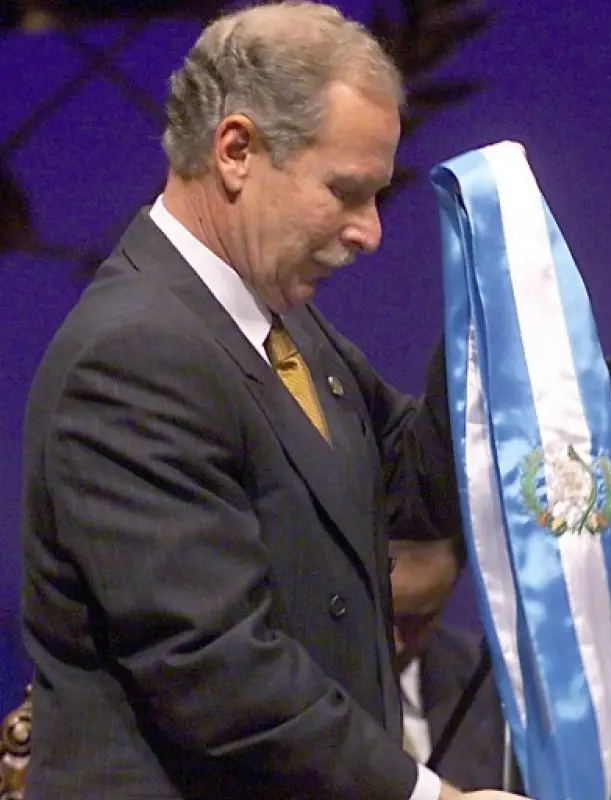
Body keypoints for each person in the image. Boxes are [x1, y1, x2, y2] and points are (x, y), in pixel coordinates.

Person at [19, 3, 526, 798]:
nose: (370, 233)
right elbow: (214, 668)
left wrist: (528, 362)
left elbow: (411, 480)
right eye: (345, 192)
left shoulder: (281, 327)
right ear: (236, 151)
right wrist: (429, 796)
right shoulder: (135, 354)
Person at [388, 537, 519, 792]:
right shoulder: (299, 689)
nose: (396, 643)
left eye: (415, 620)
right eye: (382, 616)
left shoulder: (492, 682)